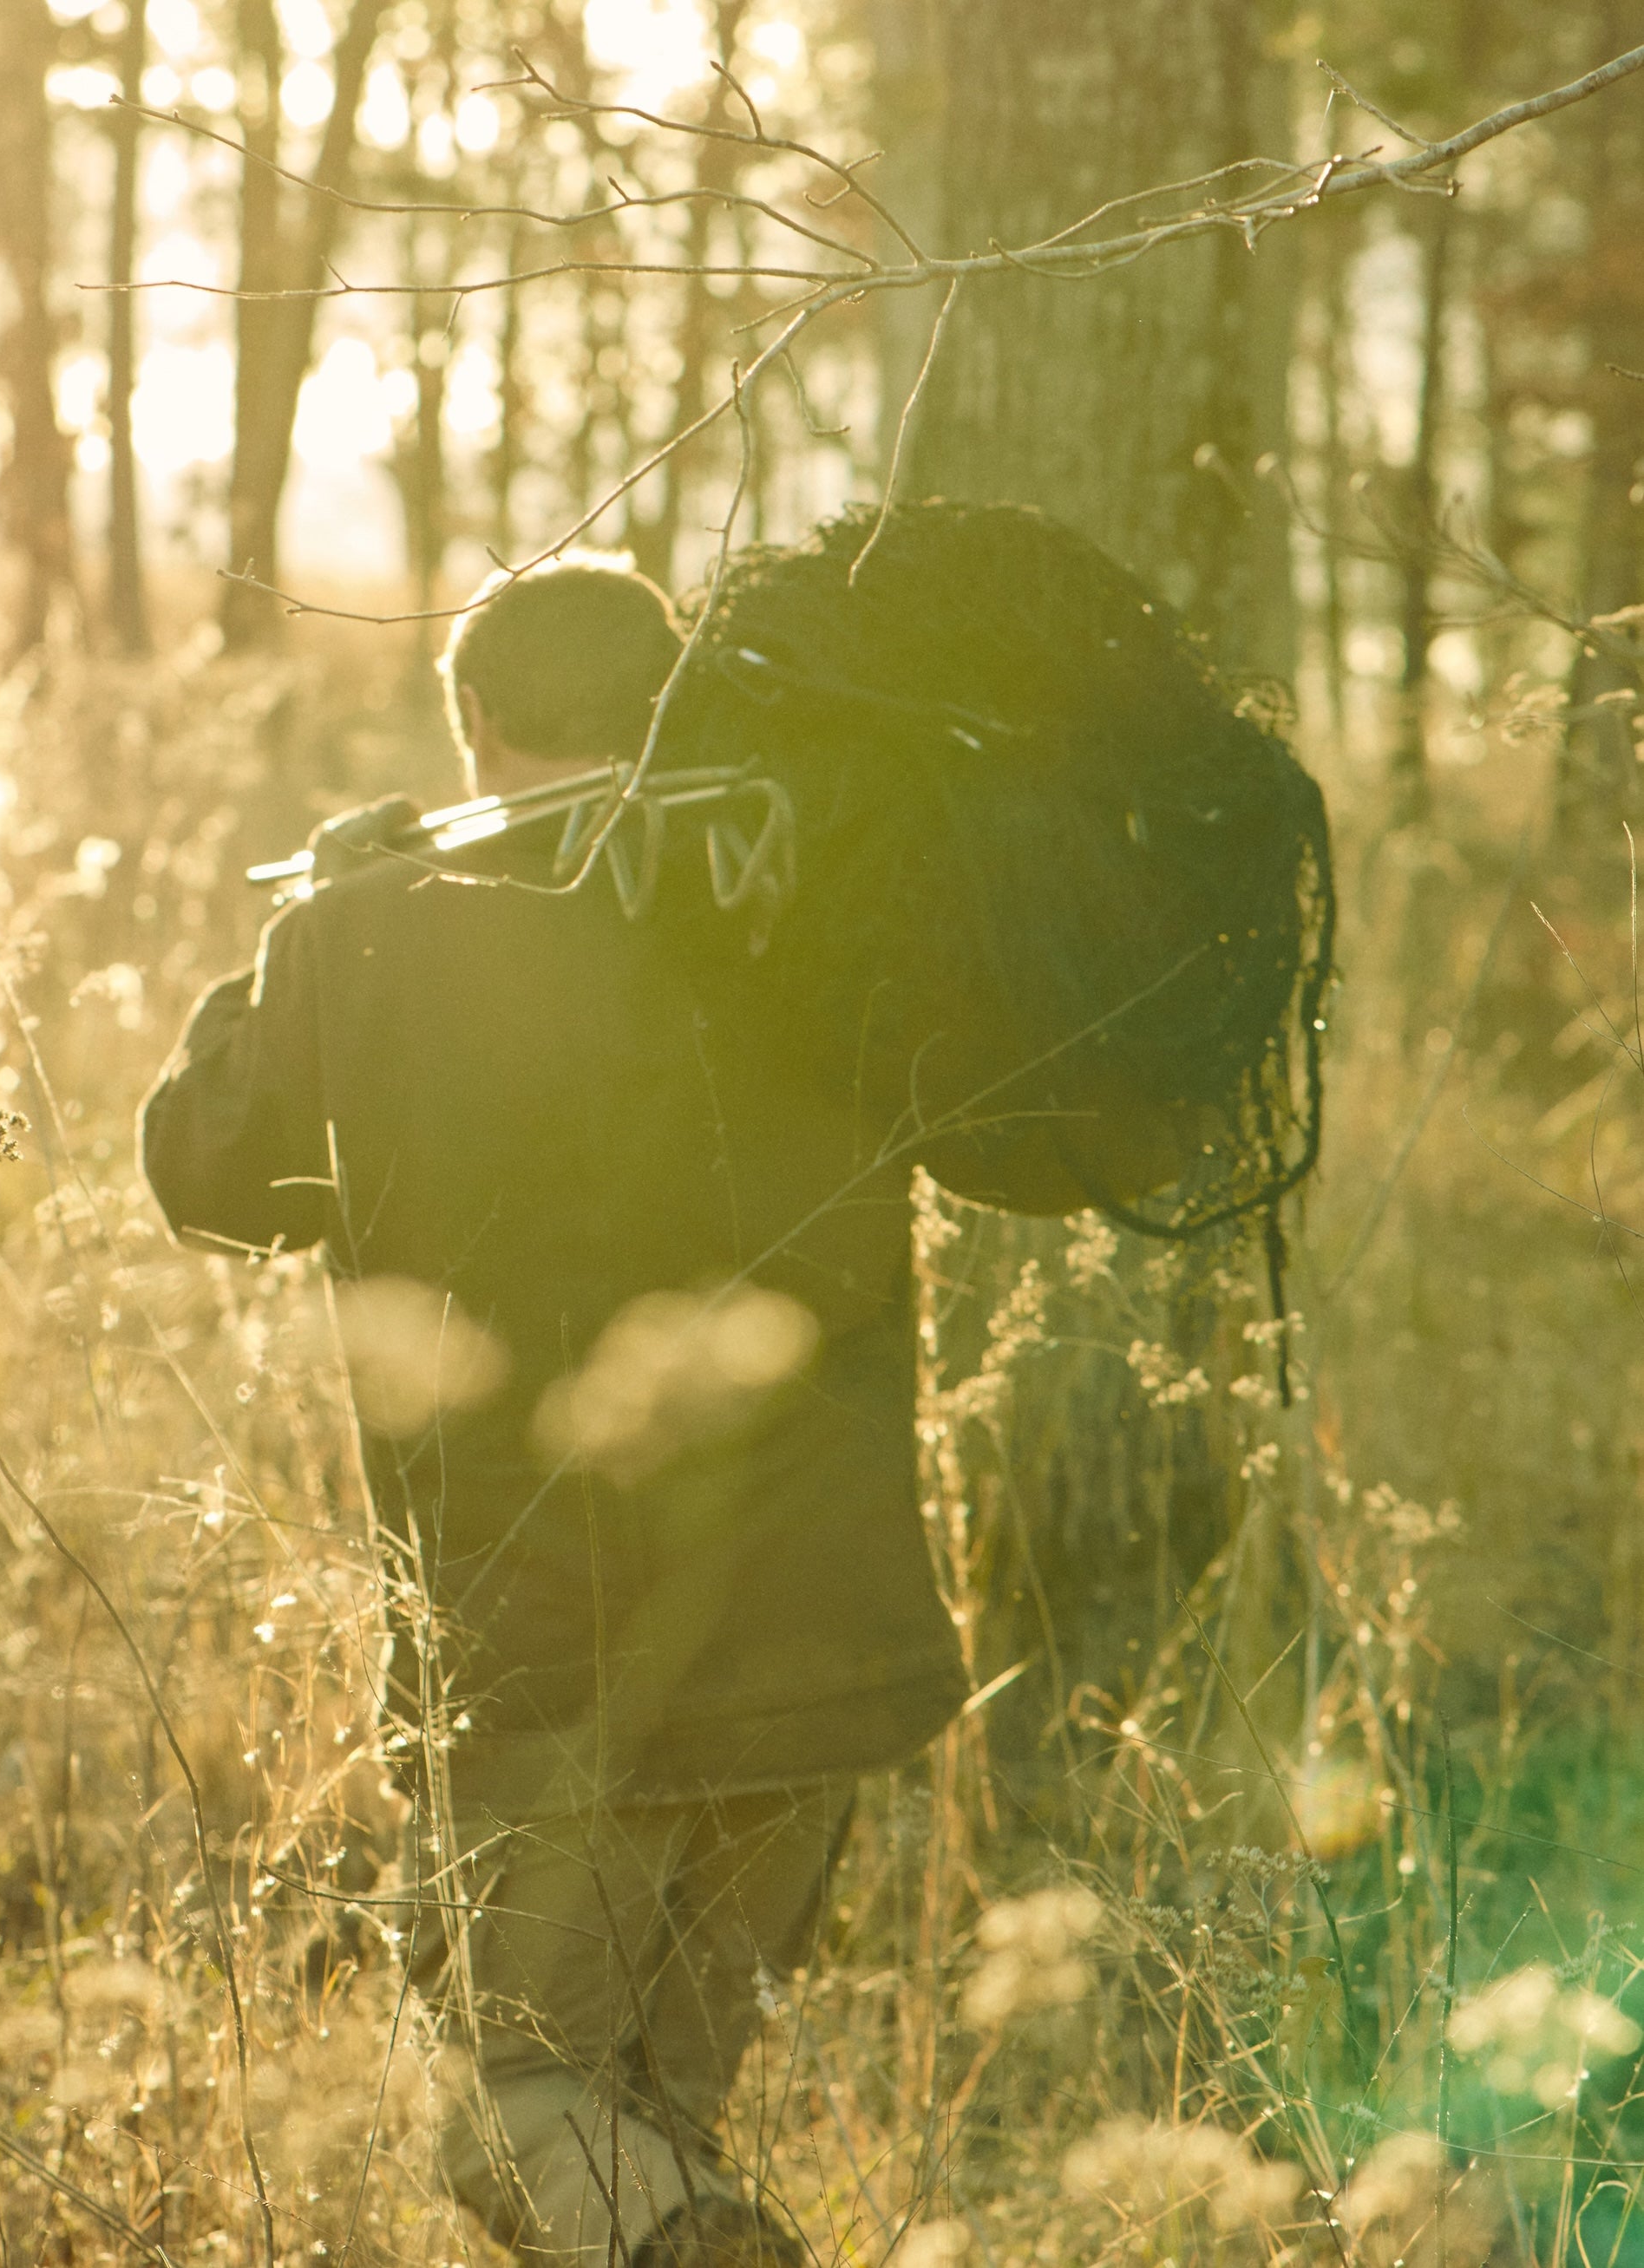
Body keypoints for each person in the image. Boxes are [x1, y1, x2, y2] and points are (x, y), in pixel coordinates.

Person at [138, 518, 1329, 2268]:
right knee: (641, 2147)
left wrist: (310, 918)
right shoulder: (832, 900)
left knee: (510, 2112)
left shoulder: (373, 932)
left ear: (471, 716)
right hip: (820, 1655)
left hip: (547, 1656)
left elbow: (205, 1172)